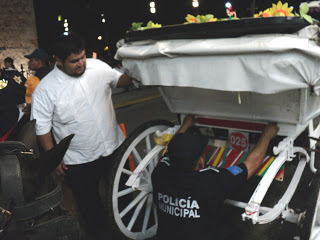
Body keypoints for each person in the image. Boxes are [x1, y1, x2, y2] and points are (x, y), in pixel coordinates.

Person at [31, 32, 132, 239]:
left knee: (126, 196)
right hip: (78, 161)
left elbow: (121, 81)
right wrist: (53, 157)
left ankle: (133, 230)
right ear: (57, 61)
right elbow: (42, 128)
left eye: (83, 57)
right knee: (91, 209)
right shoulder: (46, 89)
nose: (81, 63)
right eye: (74, 61)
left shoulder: (97, 67)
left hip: (114, 148)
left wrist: (137, 64)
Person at [151, 115, 279, 240]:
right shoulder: (212, 181)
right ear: (201, 162)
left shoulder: (159, 172)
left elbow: (170, 151)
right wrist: (267, 136)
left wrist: (185, 125)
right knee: (235, 231)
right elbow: (250, 165)